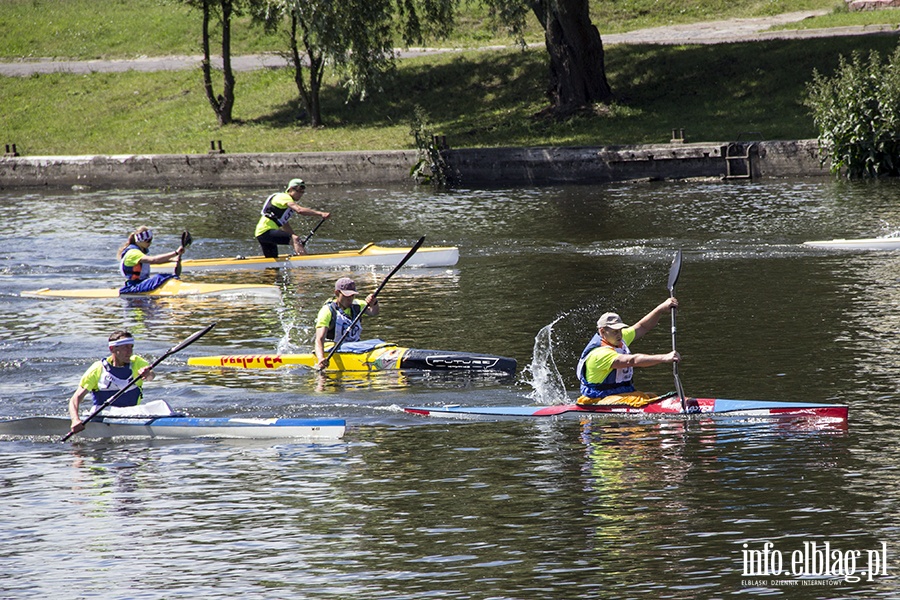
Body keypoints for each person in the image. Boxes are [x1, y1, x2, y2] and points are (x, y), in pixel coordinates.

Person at [575, 298, 680, 406]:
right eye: (615, 331)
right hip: (598, 399)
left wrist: (660, 309)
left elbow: (643, 326)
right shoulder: (599, 354)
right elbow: (632, 361)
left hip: (620, 394)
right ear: (602, 331)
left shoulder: (616, 338)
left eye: (620, 330)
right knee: (639, 400)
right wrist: (664, 358)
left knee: (650, 396)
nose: (620, 334)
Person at [68, 330, 160, 433]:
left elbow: (151, 376)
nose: (130, 352)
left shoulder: (137, 362)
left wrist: (147, 374)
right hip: (104, 415)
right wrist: (75, 420)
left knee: (161, 405)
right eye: (125, 347)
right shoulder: (97, 369)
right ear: (112, 348)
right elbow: (75, 399)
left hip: (132, 414)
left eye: (131, 347)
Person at [314, 277, 380, 370]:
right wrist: (321, 358)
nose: (350, 299)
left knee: (377, 342)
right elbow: (319, 339)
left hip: (354, 347)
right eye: (347, 296)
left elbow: (374, 312)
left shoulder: (357, 305)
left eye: (352, 295)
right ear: (337, 293)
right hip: (333, 349)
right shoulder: (327, 311)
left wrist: (374, 303)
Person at [255, 178, 330, 258]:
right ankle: (305, 265)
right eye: (298, 191)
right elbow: (300, 210)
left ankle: (271, 269)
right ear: (290, 189)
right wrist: (321, 213)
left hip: (261, 233)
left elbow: (285, 225)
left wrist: (297, 242)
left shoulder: (285, 205)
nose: (300, 194)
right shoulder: (284, 197)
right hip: (266, 231)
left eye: (302, 192)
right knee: (295, 239)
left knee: (272, 263)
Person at [118, 226, 185, 293]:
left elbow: (154, 261)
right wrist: (176, 252)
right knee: (160, 277)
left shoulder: (139, 251)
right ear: (139, 240)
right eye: (148, 240)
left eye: (151, 240)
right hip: (134, 286)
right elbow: (154, 260)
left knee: (164, 276)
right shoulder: (133, 253)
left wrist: (172, 259)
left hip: (141, 283)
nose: (150, 243)